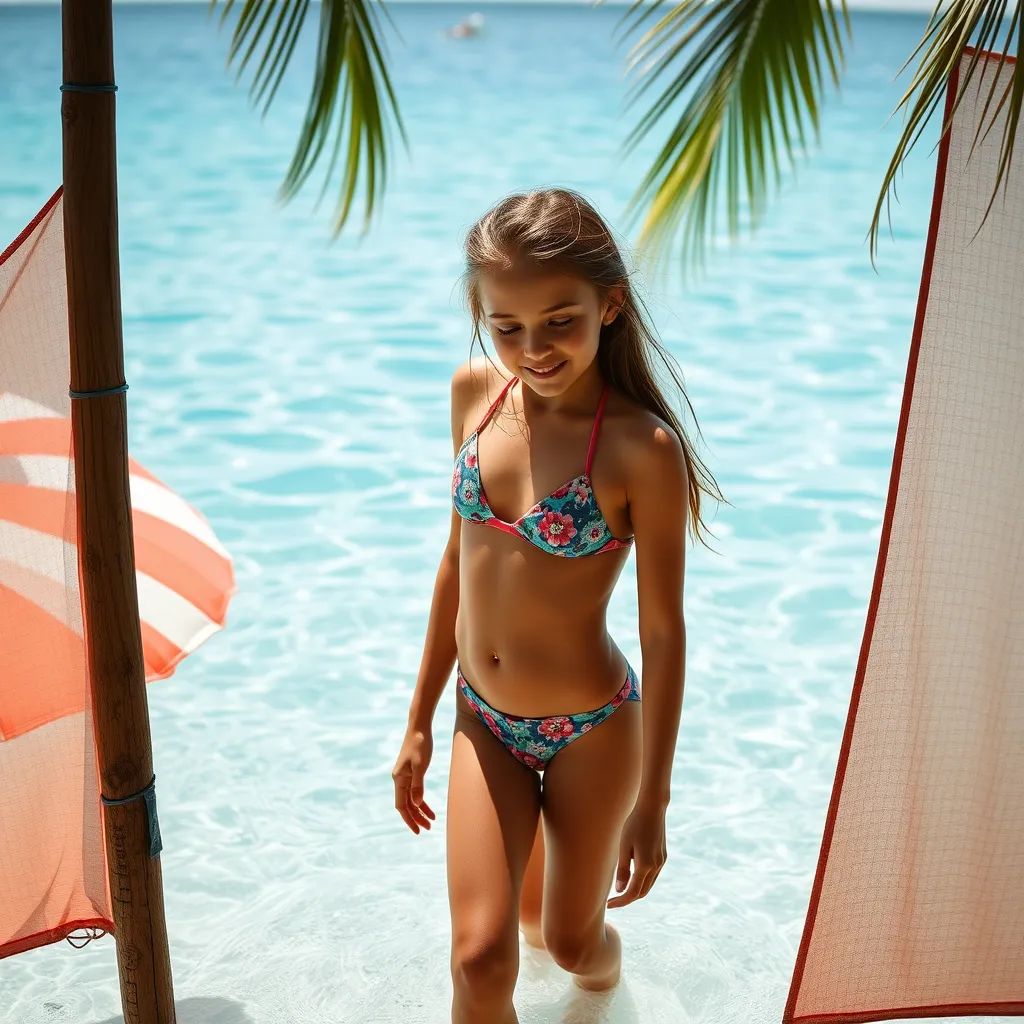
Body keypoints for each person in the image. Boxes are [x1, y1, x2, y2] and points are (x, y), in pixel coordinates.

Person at [391, 187, 723, 1023]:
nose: (532, 348)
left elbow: (664, 632)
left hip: (594, 730)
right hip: (484, 720)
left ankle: (610, 997)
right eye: (507, 327)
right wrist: (419, 720)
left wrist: (655, 799)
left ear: (609, 305)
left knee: (566, 942)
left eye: (559, 322)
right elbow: (453, 568)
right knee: (479, 959)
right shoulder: (475, 394)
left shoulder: (641, 448)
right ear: (482, 317)